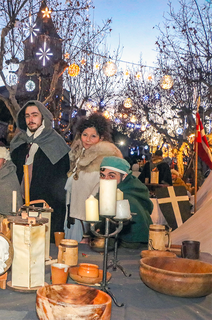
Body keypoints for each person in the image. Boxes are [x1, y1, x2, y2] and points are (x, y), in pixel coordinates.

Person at [10, 100, 70, 239]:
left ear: (43, 117)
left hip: (47, 206)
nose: (30, 119)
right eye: (27, 116)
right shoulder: (19, 142)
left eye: (35, 115)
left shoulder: (56, 143)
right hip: (21, 205)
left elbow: (61, 182)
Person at [64, 113, 122, 242]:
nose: (87, 139)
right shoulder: (77, 154)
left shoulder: (106, 157)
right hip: (74, 212)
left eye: (93, 136)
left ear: (101, 138)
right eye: (85, 135)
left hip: (92, 214)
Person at [99, 156, 153, 247]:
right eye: (102, 175)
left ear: (124, 176)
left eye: (111, 176)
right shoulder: (120, 188)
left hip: (132, 245)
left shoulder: (125, 197)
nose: (105, 180)